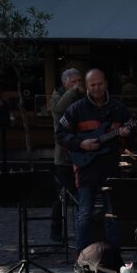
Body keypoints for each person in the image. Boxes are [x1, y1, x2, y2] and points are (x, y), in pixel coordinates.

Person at [56, 69, 132, 250]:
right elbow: (60, 134)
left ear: (105, 83)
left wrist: (127, 133)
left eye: (99, 84)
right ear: (87, 86)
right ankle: (82, 257)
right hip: (86, 168)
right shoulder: (76, 108)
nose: (97, 88)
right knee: (84, 213)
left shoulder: (118, 108)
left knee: (112, 213)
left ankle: (114, 256)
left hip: (111, 167)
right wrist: (81, 144)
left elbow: (133, 131)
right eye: (92, 85)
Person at [51, 68, 83, 241]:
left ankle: (83, 230)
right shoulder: (58, 95)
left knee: (81, 195)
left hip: (81, 152)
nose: (78, 85)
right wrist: (72, 92)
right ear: (65, 83)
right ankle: (56, 231)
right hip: (63, 156)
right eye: (74, 82)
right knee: (61, 196)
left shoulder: (80, 97)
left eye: (79, 81)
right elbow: (58, 109)